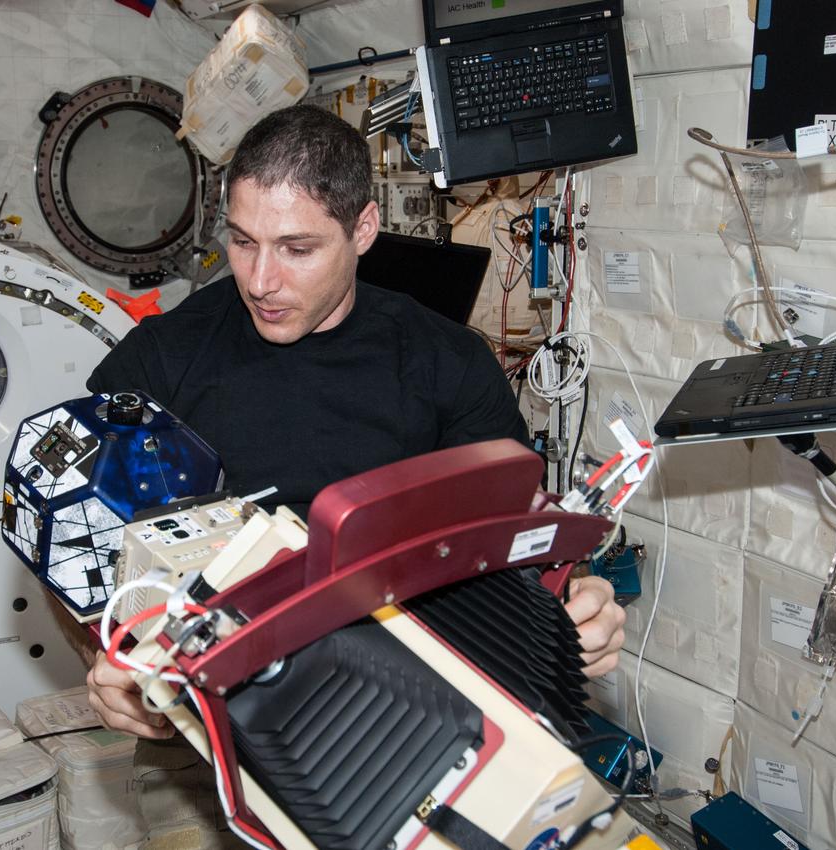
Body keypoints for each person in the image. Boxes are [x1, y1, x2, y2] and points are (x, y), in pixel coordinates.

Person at [84, 104, 625, 738]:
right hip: (204, 718)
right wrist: (108, 663)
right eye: (242, 241)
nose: (260, 281)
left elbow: (513, 541)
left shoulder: (447, 364)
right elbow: (72, 542)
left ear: (363, 229)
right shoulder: (160, 360)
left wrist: (576, 602)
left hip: (406, 710)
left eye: (297, 248)